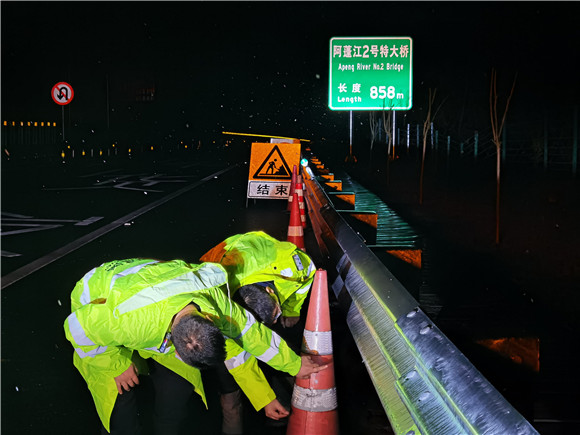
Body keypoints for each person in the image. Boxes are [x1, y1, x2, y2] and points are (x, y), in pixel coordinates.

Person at [63, 258, 327, 435]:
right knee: (119, 406)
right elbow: (77, 329)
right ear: (174, 348)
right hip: (99, 307)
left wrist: (290, 369)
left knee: (176, 392)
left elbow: (249, 339)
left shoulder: (218, 308)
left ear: (210, 321)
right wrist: (117, 365)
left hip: (155, 298)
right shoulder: (127, 321)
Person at [200, 231, 317, 433]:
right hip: (223, 264)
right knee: (230, 399)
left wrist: (291, 310)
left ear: (272, 292)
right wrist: (265, 398)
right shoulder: (217, 309)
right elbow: (238, 361)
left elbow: (305, 279)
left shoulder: (296, 266)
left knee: (279, 344)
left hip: (257, 259)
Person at [200, 231, 316, 329]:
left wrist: (292, 310)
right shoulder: (214, 292)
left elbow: (308, 272)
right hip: (226, 257)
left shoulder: (291, 267)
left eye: (276, 314)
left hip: (259, 252)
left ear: (270, 290)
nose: (276, 321)